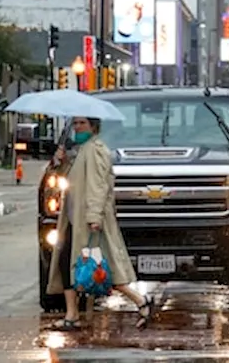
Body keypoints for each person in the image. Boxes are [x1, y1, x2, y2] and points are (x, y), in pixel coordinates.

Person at [46, 117, 153, 331]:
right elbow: (68, 181)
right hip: (73, 221)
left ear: (93, 126)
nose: (77, 127)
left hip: (87, 221)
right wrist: (60, 162)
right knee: (69, 263)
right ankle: (72, 314)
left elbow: (98, 186)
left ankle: (141, 301)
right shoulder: (81, 151)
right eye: (75, 123)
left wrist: (94, 216)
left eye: (82, 123)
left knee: (102, 268)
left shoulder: (95, 150)